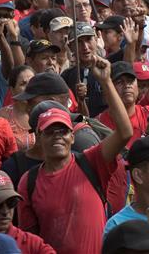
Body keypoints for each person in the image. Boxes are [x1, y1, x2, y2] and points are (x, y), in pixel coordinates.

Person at [17, 57, 133, 254]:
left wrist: (106, 82)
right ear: (38, 136)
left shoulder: (91, 162)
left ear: (72, 136)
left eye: (62, 131)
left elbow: (124, 133)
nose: (57, 137)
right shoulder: (28, 182)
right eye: (49, 131)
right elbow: (30, 242)